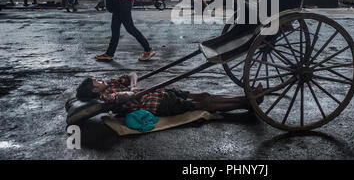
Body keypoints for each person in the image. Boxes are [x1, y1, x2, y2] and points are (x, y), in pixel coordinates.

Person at [76, 73, 264, 116]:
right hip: (158, 105)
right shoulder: (105, 97)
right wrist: (130, 91)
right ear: (95, 90)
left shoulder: (110, 85)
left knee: (203, 95)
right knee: (204, 104)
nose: (101, 80)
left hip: (159, 93)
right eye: (97, 82)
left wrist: (132, 87)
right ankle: (247, 102)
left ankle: (248, 100)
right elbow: (122, 98)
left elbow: (132, 75)